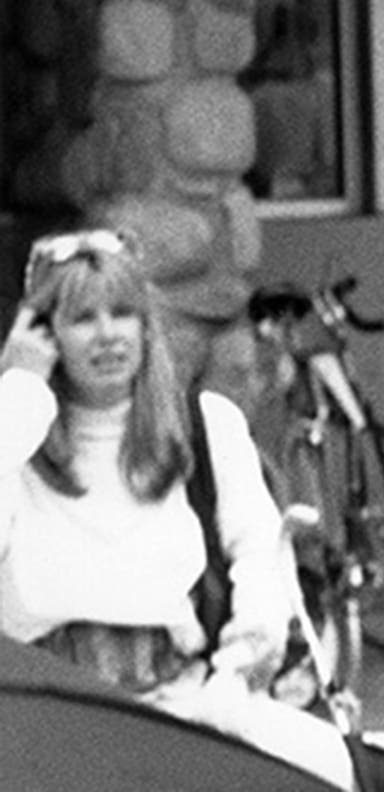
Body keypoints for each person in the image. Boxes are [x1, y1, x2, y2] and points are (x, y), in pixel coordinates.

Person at [1, 229, 357, 790]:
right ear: (44, 332)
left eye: (123, 313)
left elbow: (260, 555)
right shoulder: (15, 439)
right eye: (81, 318)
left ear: (147, 325)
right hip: (50, 726)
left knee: (343, 770)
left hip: (182, 710)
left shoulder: (205, 426)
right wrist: (19, 389)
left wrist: (236, 679)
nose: (108, 334)